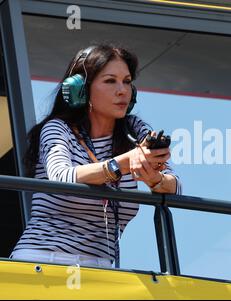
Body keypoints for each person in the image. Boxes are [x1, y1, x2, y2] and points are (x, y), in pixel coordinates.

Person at [11, 44, 181, 268]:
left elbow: (176, 188)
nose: (122, 90)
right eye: (110, 81)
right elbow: (61, 176)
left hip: (101, 269)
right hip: (42, 263)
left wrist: (156, 179)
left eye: (127, 81)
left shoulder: (134, 129)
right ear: (81, 89)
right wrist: (121, 164)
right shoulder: (57, 128)